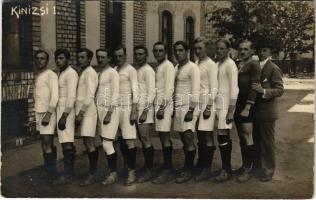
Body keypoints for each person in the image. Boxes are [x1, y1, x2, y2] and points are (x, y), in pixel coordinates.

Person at [252, 40, 284, 182]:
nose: (261, 52)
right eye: (260, 50)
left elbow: (279, 90)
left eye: (265, 50)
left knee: (267, 143)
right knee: (257, 141)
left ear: (270, 52)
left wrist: (263, 90)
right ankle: (258, 168)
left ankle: (268, 170)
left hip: (267, 111)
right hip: (256, 110)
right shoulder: (255, 66)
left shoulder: (274, 68)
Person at [173, 41, 200, 183]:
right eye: (176, 51)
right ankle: (188, 166)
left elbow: (196, 90)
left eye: (181, 50)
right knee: (183, 138)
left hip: (189, 107)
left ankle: (189, 170)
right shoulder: (177, 67)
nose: (178, 53)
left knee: (189, 137)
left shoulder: (193, 68)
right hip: (178, 107)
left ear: (187, 51)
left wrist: (191, 110)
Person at [234, 40, 261, 182]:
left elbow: (255, 87)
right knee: (241, 137)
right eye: (240, 49)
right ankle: (245, 165)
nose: (242, 51)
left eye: (246, 49)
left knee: (247, 136)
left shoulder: (254, 64)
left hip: (247, 103)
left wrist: (248, 107)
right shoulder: (240, 64)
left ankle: (249, 170)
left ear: (252, 51)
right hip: (239, 101)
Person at [213, 39, 239, 182]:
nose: (219, 51)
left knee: (223, 134)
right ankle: (225, 167)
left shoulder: (230, 65)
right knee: (220, 135)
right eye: (218, 48)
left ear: (228, 50)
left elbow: (234, 89)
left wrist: (231, 111)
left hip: (226, 105)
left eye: (222, 48)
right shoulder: (217, 64)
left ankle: (226, 169)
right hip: (217, 103)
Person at [193, 37, 218, 182]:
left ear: (206, 48)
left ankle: (206, 169)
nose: (197, 51)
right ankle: (201, 163)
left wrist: (208, 107)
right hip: (197, 104)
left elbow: (214, 88)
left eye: (200, 48)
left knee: (207, 135)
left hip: (208, 103)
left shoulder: (211, 65)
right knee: (200, 135)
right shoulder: (196, 63)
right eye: (195, 48)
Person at [151, 42, 176, 184]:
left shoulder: (168, 66)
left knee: (165, 136)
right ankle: (167, 166)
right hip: (158, 104)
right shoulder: (159, 66)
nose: (158, 53)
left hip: (164, 105)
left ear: (165, 52)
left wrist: (162, 108)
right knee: (162, 135)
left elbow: (169, 89)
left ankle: (168, 169)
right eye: (156, 50)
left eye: (161, 50)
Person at [52, 49, 78, 185]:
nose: (58, 61)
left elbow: (72, 96)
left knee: (67, 141)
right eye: (57, 58)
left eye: (61, 58)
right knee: (64, 141)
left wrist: (64, 116)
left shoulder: (71, 73)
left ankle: (68, 175)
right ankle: (69, 173)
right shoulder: (61, 72)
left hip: (66, 111)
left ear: (68, 59)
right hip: (59, 109)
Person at [114, 46, 139, 186]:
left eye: (120, 56)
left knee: (129, 140)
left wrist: (134, 111)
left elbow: (136, 92)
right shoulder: (115, 70)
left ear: (125, 55)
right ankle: (126, 165)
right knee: (120, 140)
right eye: (116, 56)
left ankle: (132, 171)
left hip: (127, 108)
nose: (118, 58)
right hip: (116, 108)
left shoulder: (130, 70)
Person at [95, 49, 120, 185]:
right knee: (104, 142)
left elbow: (116, 94)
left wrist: (109, 113)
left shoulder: (112, 73)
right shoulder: (99, 73)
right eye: (98, 57)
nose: (100, 59)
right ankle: (112, 171)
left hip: (110, 111)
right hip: (100, 110)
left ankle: (113, 173)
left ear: (109, 58)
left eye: (103, 57)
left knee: (107, 143)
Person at [34, 50, 59, 184]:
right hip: (39, 112)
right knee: (45, 144)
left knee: (47, 143)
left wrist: (48, 114)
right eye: (37, 58)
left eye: (42, 59)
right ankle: (49, 170)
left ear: (47, 60)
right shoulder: (39, 75)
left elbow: (55, 96)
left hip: (47, 114)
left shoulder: (51, 75)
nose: (39, 61)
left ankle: (51, 174)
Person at [75, 48, 99, 186]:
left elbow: (90, 95)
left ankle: (93, 174)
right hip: (84, 112)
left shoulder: (90, 73)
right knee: (86, 142)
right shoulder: (84, 72)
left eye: (83, 57)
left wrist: (81, 113)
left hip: (88, 113)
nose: (80, 59)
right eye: (79, 57)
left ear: (89, 59)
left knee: (89, 142)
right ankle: (92, 173)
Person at [133, 45, 156, 183]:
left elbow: (151, 92)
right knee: (142, 138)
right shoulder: (138, 70)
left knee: (145, 138)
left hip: (144, 109)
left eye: (141, 54)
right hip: (138, 108)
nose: (138, 56)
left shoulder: (148, 70)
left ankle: (149, 170)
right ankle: (147, 166)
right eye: (136, 54)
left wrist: (145, 111)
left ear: (146, 55)